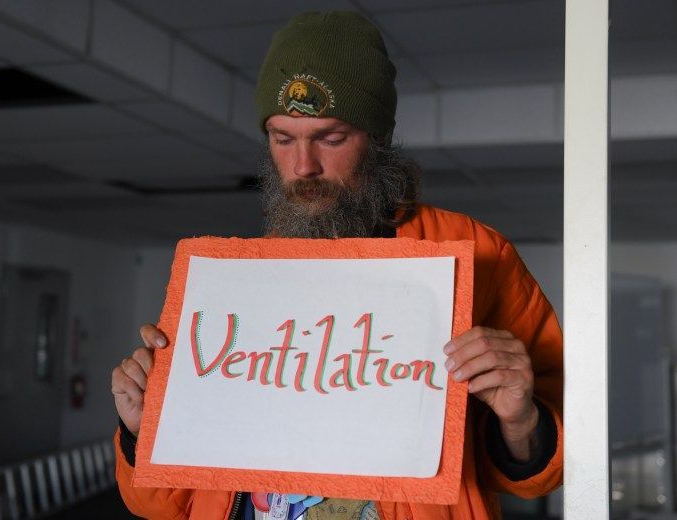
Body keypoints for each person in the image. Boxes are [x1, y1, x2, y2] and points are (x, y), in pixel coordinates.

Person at [111, 11, 563, 520]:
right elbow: (163, 505)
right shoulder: (232, 287)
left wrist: (521, 421)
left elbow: (545, 470)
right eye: (282, 139)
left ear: (376, 139)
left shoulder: (478, 255)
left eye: (330, 138)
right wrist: (141, 428)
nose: (303, 166)